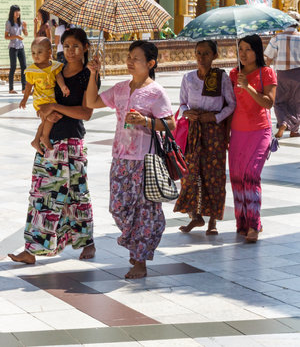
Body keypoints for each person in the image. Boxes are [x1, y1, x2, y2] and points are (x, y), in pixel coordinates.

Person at [86, 40, 175, 279]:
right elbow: (91, 102)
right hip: (120, 157)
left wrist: (145, 121)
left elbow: (171, 124)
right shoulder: (120, 88)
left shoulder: (156, 92)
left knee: (144, 211)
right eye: (129, 56)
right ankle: (138, 242)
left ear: (150, 63)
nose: (130, 61)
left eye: (136, 58)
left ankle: (139, 260)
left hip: (145, 159)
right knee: (118, 206)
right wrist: (93, 74)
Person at [8, 28, 97, 264]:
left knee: (77, 194)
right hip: (51, 140)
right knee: (42, 195)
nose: (70, 51)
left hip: (73, 141)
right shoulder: (54, 68)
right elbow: (42, 98)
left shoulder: (89, 75)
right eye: (66, 46)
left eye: (76, 46)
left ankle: (86, 242)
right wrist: (42, 109)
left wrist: (55, 108)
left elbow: (86, 112)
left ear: (86, 47)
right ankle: (32, 249)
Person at [173, 40, 236, 235]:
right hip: (194, 131)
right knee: (191, 174)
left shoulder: (221, 78)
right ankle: (195, 216)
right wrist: (186, 113)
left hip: (214, 132)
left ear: (214, 56)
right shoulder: (188, 78)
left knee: (214, 175)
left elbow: (231, 105)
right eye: (198, 53)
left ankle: (213, 222)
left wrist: (215, 117)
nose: (201, 57)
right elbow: (182, 103)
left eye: (206, 54)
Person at [229, 35, 277, 243]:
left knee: (251, 175)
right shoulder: (233, 74)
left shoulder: (266, 73)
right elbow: (229, 105)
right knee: (238, 178)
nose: (243, 53)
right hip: (237, 132)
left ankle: (254, 224)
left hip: (259, 131)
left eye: (248, 49)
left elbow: (268, 103)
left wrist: (248, 86)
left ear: (257, 51)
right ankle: (242, 222)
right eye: (240, 49)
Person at [19, 37, 70, 153]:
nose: (36, 55)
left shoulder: (54, 67)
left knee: (47, 120)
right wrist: (24, 99)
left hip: (51, 98)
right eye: (33, 53)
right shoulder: (32, 70)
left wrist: (63, 87)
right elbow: (28, 87)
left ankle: (37, 140)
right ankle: (44, 137)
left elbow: (59, 77)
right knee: (50, 118)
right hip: (40, 100)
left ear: (49, 53)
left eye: (39, 52)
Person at [264, 18, 300, 138]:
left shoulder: (277, 38)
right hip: (298, 74)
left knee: (279, 101)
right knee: (297, 102)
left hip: (282, 74)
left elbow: (268, 56)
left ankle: (283, 122)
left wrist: (266, 69)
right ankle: (294, 130)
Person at [5, 4, 28, 94]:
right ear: (12, 12)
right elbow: (6, 37)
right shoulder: (9, 23)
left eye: (18, 11)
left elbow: (25, 34)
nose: (18, 13)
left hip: (21, 47)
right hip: (13, 47)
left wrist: (25, 28)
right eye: (16, 11)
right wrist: (16, 36)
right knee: (13, 67)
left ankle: (24, 88)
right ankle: (11, 89)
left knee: (24, 67)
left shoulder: (21, 22)